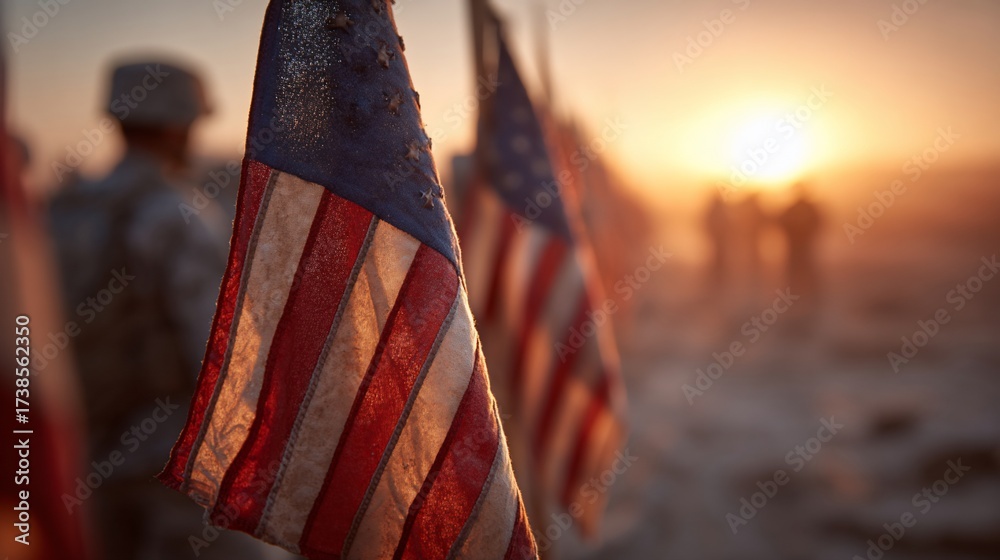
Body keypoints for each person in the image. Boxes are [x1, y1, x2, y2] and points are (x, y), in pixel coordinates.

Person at [47, 58, 268, 560]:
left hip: (87, 453)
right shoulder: (177, 212)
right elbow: (215, 349)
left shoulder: (64, 210)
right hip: (173, 462)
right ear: (177, 124)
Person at [777, 182, 824, 314]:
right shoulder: (792, 208)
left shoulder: (807, 208)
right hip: (795, 247)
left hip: (803, 247)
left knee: (806, 273)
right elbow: (780, 222)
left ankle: (813, 299)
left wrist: (805, 233)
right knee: (794, 273)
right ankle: (794, 301)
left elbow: (819, 223)